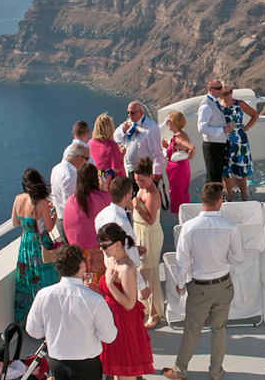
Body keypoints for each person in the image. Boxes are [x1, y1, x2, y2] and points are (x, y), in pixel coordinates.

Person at [162, 182, 244, 380]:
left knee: (192, 330)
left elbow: (183, 262)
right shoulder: (230, 227)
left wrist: (180, 284)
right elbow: (238, 258)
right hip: (224, 285)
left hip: (199, 287)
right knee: (219, 330)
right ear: (219, 201)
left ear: (202, 201)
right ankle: (216, 371)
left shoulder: (189, 228)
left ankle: (180, 370)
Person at [26, 244, 117, 380]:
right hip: (87, 365)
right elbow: (109, 336)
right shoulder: (94, 300)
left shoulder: (43, 295)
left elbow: (33, 331)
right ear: (82, 264)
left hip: (56, 363)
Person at [96, 223, 155, 379]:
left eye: (105, 246)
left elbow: (129, 303)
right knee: (115, 372)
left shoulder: (127, 268)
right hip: (110, 321)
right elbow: (108, 293)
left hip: (122, 324)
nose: (102, 249)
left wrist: (110, 285)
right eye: (100, 245)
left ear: (117, 244)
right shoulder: (111, 261)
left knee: (125, 372)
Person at [12, 168, 59, 321]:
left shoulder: (18, 199)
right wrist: (55, 214)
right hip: (40, 244)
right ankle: (48, 318)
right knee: (45, 279)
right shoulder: (42, 202)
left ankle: (29, 319)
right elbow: (50, 227)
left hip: (25, 243)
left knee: (26, 279)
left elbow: (15, 222)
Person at [94, 176, 150, 301]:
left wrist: (135, 247)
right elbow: (130, 256)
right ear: (127, 195)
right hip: (123, 276)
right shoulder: (122, 222)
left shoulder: (100, 215)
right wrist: (142, 286)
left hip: (109, 271)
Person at [63, 163, 111, 283]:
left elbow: (67, 226)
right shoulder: (104, 197)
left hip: (80, 254)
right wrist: (105, 189)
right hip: (100, 251)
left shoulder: (72, 200)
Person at [132, 157, 165, 329]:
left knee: (150, 273)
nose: (139, 183)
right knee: (142, 272)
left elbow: (151, 220)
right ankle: (144, 308)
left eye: (142, 180)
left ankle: (154, 311)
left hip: (150, 235)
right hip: (139, 232)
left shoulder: (152, 193)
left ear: (150, 177)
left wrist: (137, 207)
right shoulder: (141, 190)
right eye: (137, 180)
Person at [220, 84, 259, 201]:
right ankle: (229, 198)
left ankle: (244, 196)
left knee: (241, 170)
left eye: (230, 92)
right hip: (224, 141)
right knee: (226, 171)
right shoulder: (218, 106)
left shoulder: (239, 104)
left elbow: (254, 115)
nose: (229, 95)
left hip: (239, 141)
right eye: (225, 93)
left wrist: (245, 128)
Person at [113, 101, 164, 191]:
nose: (130, 115)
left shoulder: (151, 128)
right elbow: (116, 138)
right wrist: (123, 130)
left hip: (144, 171)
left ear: (141, 112)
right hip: (131, 169)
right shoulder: (129, 124)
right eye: (128, 113)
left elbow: (157, 151)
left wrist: (157, 171)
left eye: (132, 113)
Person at [51, 142, 91, 241]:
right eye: (87, 159)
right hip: (69, 223)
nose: (87, 162)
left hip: (59, 218)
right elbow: (70, 206)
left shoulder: (56, 168)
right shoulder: (70, 177)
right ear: (79, 158)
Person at [198, 79, 235, 183]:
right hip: (212, 145)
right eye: (218, 88)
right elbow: (201, 128)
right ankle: (211, 198)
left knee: (217, 175)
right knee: (213, 177)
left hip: (219, 144)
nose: (220, 90)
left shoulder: (215, 103)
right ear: (210, 90)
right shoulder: (206, 106)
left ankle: (217, 198)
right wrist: (222, 130)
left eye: (221, 88)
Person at [162, 111, 195, 213]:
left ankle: (182, 218)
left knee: (178, 195)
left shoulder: (178, 138)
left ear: (174, 122)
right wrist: (167, 146)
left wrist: (189, 156)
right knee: (182, 194)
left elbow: (191, 148)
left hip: (177, 171)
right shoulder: (181, 135)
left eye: (168, 120)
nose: (167, 123)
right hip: (180, 169)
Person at [88, 113, 124, 179]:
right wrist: (122, 155)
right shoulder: (111, 146)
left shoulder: (90, 143)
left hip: (94, 179)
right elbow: (116, 169)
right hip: (110, 182)